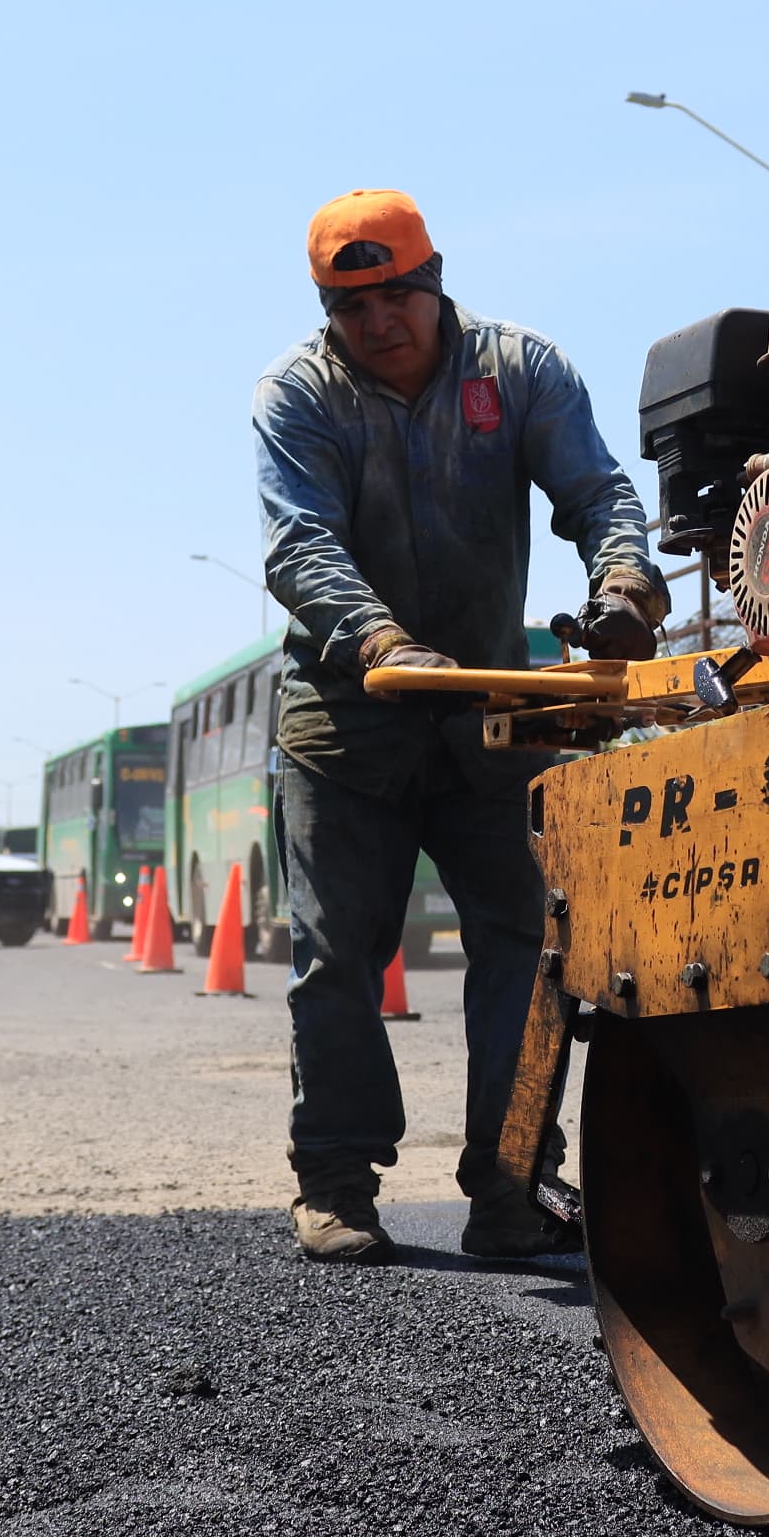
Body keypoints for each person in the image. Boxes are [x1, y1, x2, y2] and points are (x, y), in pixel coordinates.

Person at [255, 189, 664, 1264]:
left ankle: (512, 1182)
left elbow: (598, 489)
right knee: (340, 957)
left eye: (396, 294)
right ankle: (336, 1183)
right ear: (327, 311)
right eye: (352, 305)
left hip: (490, 715)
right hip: (348, 719)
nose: (378, 320)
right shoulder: (300, 395)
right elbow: (299, 546)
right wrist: (383, 642)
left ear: (434, 283)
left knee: (527, 949)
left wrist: (624, 577)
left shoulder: (518, 371)